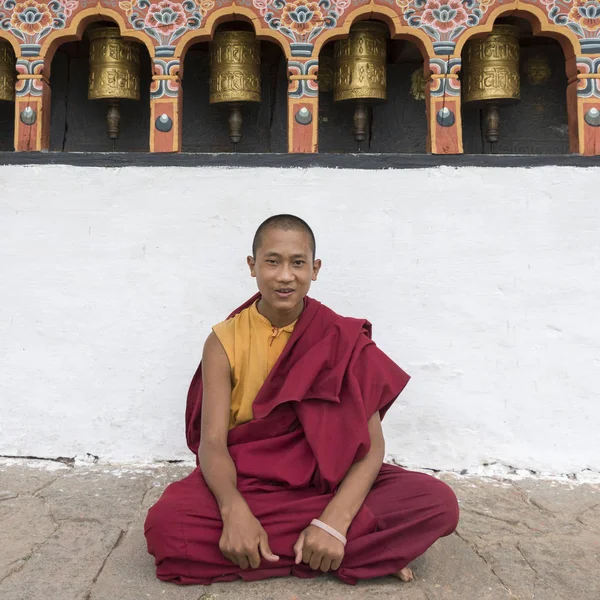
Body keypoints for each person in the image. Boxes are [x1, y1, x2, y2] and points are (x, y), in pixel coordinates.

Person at [144, 214, 459, 585]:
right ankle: (354, 552)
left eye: (298, 263)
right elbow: (212, 443)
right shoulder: (223, 341)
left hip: (327, 484)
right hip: (250, 483)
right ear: (252, 266)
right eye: (272, 261)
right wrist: (233, 512)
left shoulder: (340, 337)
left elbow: (372, 449)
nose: (284, 276)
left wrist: (335, 521)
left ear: (315, 269)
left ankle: (311, 544)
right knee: (167, 525)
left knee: (436, 502)